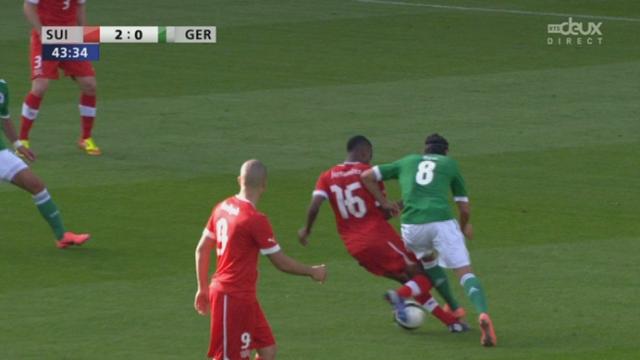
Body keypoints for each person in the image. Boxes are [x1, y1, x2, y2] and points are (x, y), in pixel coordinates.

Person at [298, 135, 466, 332]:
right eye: (370, 155)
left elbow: (315, 206)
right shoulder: (367, 174)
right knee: (426, 274)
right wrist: (408, 201)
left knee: (411, 281)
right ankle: (400, 297)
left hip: (354, 246)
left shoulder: (326, 176)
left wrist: (306, 230)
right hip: (377, 237)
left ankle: (451, 323)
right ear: (364, 152)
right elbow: (386, 213)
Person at [361, 133, 497, 347]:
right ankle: (483, 314)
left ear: (424, 149)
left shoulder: (407, 161)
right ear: (446, 151)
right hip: (441, 222)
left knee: (428, 262)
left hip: (412, 227)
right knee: (465, 272)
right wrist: (463, 228)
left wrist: (385, 203)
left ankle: (453, 308)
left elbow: (367, 176)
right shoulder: (449, 164)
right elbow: (464, 208)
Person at [194, 159, 327, 360]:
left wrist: (202, 288)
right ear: (264, 185)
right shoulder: (255, 219)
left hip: (243, 297)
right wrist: (312, 271)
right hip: (232, 297)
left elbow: (202, 249)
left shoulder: (222, 207)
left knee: (268, 350)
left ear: (240, 180)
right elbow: (280, 262)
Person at [0, 79, 90, 248]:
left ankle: (62, 236)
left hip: (0, 154)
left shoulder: (2, 86)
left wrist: (18, 145)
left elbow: (3, 117)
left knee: (36, 185)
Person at [20, 0, 101, 155]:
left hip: (71, 37)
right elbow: (28, 6)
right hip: (46, 38)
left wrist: (84, 33)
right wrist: (41, 32)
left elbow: (80, 6)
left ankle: (86, 138)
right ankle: (23, 141)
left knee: (89, 84)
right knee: (40, 86)